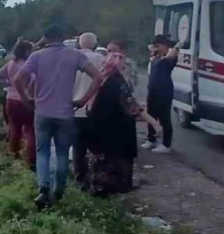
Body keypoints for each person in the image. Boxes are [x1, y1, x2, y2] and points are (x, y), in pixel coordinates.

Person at [14, 23, 102, 209]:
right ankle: (59, 190)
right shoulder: (75, 55)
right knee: (62, 153)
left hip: (43, 112)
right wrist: (83, 99)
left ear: (45, 37)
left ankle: (43, 188)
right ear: (62, 36)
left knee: (43, 152)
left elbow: (17, 79)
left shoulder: (37, 56)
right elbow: (98, 77)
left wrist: (27, 99)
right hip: (66, 114)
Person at [86, 52, 162, 197]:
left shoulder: (103, 79)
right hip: (117, 132)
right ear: (117, 66)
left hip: (100, 130)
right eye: (124, 64)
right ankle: (113, 193)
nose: (126, 67)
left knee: (101, 164)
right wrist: (154, 123)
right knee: (115, 165)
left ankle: (99, 192)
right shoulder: (118, 82)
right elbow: (133, 107)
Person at [0, 40, 37, 168]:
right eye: (31, 49)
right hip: (26, 100)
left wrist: (8, 84)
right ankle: (31, 161)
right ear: (27, 51)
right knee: (30, 130)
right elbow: (33, 80)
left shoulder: (11, 63)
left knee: (14, 127)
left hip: (11, 100)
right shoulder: (29, 65)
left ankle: (14, 155)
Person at [72, 32, 105, 191]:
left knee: (78, 148)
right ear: (95, 44)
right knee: (97, 146)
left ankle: (80, 181)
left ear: (79, 43)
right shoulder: (101, 59)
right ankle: (97, 179)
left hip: (75, 109)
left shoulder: (71, 58)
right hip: (95, 109)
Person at [142, 35, 179, 154]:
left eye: (158, 46)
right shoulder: (155, 56)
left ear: (165, 46)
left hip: (164, 90)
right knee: (151, 114)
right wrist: (154, 49)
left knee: (164, 117)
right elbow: (150, 48)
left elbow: (174, 51)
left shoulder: (170, 57)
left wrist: (173, 48)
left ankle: (166, 144)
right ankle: (151, 139)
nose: (155, 48)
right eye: (155, 46)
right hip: (152, 88)